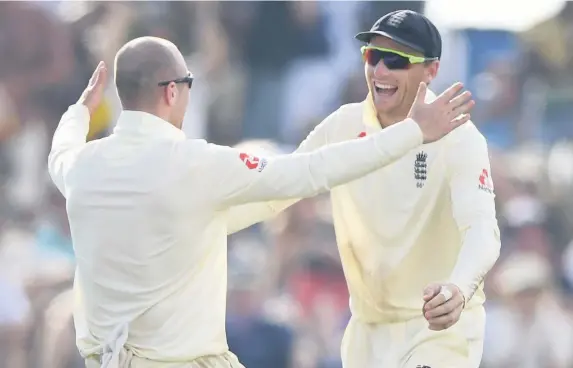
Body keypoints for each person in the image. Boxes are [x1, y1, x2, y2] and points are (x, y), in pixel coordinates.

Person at [47, 36, 473, 368]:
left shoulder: (81, 167)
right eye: (190, 84)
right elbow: (310, 171)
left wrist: (80, 111)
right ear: (172, 92)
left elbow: (59, 152)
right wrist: (412, 133)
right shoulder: (195, 164)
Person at [226, 10, 501, 368]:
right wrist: (203, 223)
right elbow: (278, 190)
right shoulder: (342, 124)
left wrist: (459, 289)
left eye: (396, 60)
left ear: (431, 70)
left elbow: (482, 231)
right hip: (367, 334)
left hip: (439, 330)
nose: (380, 72)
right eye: (372, 56)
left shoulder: (460, 137)